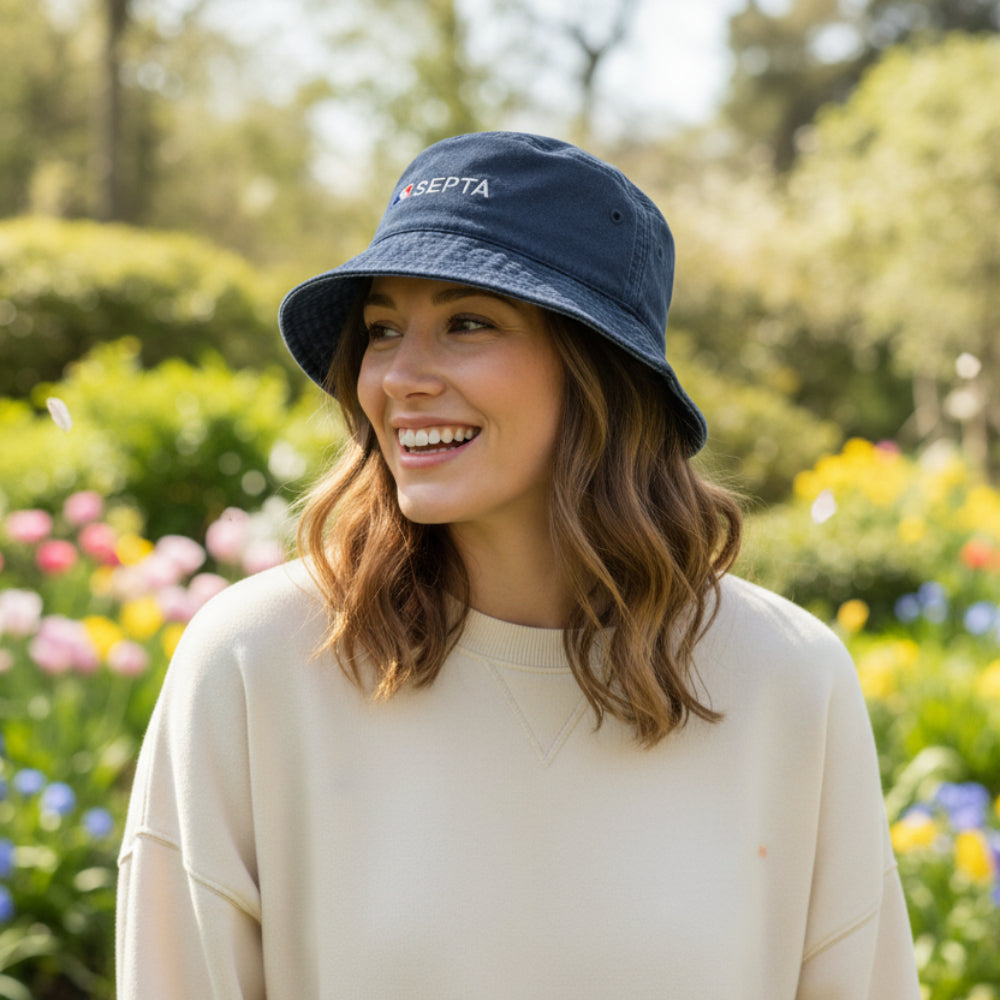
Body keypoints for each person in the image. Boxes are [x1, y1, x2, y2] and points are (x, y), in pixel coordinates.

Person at [115, 131, 921, 998]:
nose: (400, 378)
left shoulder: (785, 679)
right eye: (383, 330)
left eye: (468, 323)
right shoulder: (254, 663)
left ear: (599, 371)